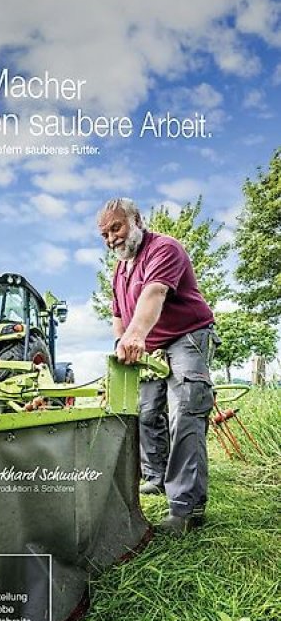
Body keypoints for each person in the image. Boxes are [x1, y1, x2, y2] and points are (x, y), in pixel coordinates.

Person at [97, 197, 219, 536]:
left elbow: (154, 294)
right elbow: (118, 317)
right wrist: (122, 343)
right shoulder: (120, 271)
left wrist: (135, 336)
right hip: (149, 345)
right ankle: (156, 476)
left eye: (116, 228)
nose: (112, 239)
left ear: (137, 219)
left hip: (187, 335)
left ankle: (186, 507)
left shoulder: (164, 249)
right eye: (105, 234)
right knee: (147, 411)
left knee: (186, 409)